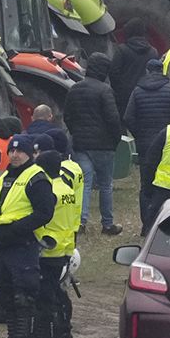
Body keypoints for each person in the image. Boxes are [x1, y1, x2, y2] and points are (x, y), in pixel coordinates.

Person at [0, 134, 58, 338]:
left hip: (23, 245)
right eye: (11, 151)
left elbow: (44, 212)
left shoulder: (35, 178)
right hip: (4, 245)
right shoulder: (6, 177)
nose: (14, 155)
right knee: (8, 298)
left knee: (24, 298)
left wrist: (17, 230)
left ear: (30, 154)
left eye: (20, 151)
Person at [64, 52, 126, 235]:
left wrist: (76, 132)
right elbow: (113, 118)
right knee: (106, 185)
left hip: (81, 143)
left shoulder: (74, 88)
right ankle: (107, 223)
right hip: (104, 144)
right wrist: (115, 139)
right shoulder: (105, 90)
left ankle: (80, 222)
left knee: (85, 183)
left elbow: (67, 116)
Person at [35, 131, 82, 338]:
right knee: (58, 294)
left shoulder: (49, 190)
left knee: (47, 298)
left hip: (47, 249)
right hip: (64, 247)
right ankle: (64, 336)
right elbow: (73, 220)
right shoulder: (67, 189)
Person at [124, 62, 170, 179]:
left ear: (147, 71)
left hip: (144, 141)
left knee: (146, 177)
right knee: (166, 176)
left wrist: (138, 134)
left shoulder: (137, 91)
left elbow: (128, 117)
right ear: (162, 71)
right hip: (168, 141)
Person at [110, 19, 158, 109]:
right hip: (146, 95)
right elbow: (155, 74)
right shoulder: (153, 52)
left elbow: (113, 73)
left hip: (124, 97)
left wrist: (119, 90)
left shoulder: (122, 50)